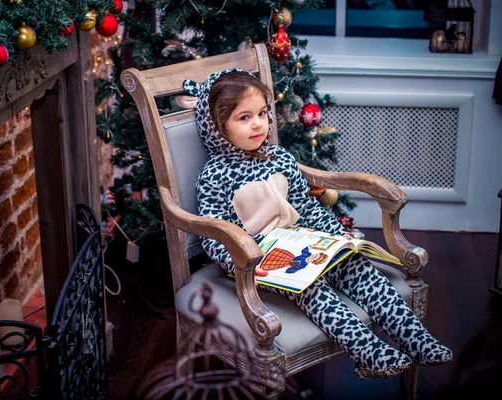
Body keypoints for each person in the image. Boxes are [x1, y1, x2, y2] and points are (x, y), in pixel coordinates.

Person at [183, 69, 452, 379]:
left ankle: (413, 336)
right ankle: (368, 353)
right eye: (243, 118)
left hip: (304, 241)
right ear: (218, 128)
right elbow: (216, 235)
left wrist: (336, 237)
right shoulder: (214, 177)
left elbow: (305, 205)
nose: (258, 123)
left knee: (357, 267)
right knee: (313, 289)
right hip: (261, 261)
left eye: (261, 113)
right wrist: (245, 260)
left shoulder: (279, 158)